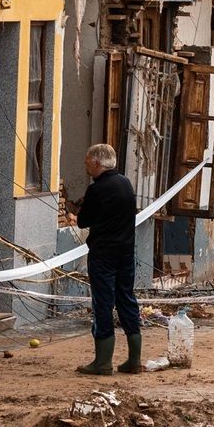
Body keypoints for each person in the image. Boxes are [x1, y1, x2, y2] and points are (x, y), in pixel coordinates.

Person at [73, 143, 142, 376]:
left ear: (96, 162)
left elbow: (83, 221)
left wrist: (77, 214)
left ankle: (103, 362)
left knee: (103, 303)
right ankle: (134, 360)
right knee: (126, 299)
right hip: (126, 252)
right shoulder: (125, 183)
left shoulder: (97, 189)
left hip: (103, 255)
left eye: (87, 161)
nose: (85, 165)